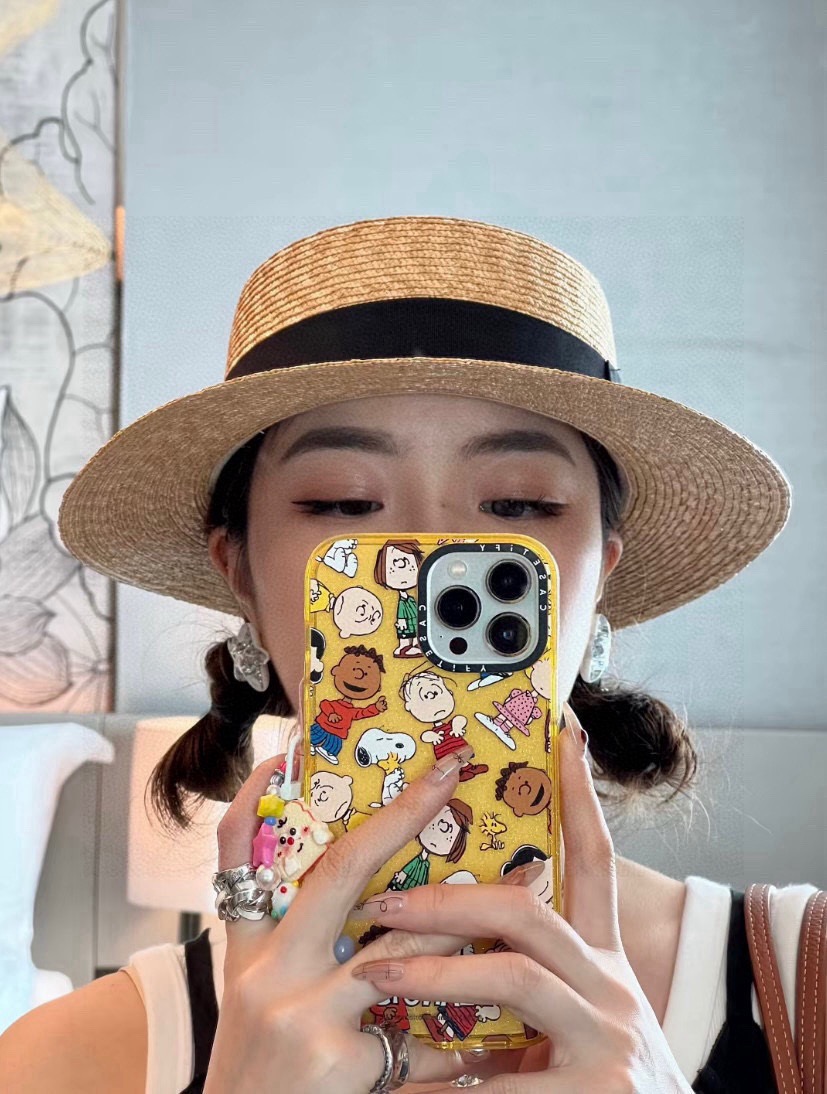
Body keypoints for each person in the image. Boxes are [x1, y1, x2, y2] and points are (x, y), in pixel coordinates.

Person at [0, 216, 821, 1093]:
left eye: (517, 506)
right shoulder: (68, 1061)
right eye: (345, 503)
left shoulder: (800, 980)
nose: (424, 552)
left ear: (596, 579)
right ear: (239, 573)